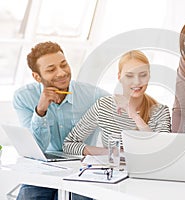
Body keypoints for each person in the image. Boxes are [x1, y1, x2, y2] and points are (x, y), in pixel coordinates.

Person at [13, 41, 109, 199]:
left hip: (82, 168)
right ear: (37, 76)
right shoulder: (24, 97)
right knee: (28, 196)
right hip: (43, 168)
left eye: (64, 65)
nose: (62, 73)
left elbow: (122, 107)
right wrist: (41, 110)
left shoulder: (93, 95)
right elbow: (36, 148)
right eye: (51, 69)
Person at [63, 50, 171, 156]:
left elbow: (162, 151)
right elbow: (69, 144)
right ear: (119, 77)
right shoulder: (104, 106)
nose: (137, 81)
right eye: (129, 76)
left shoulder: (160, 111)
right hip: (113, 172)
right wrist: (109, 152)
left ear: (149, 77)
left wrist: (134, 115)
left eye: (143, 75)